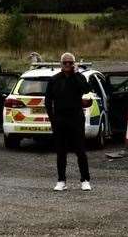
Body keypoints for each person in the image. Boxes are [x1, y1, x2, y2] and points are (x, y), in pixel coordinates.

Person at [45, 53, 92, 191]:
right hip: (60, 119)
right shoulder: (54, 80)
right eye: (65, 63)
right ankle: (61, 180)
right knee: (61, 151)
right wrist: (52, 119)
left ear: (74, 64)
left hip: (76, 118)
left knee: (80, 150)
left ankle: (85, 180)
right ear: (61, 64)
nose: (67, 65)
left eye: (70, 63)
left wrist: (77, 73)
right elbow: (48, 100)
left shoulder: (79, 77)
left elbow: (86, 88)